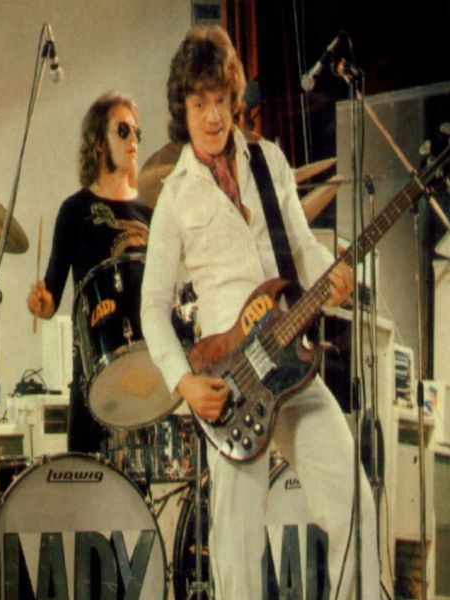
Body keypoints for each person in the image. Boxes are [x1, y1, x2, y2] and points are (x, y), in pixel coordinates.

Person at [140, 25, 379, 598]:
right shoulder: (175, 196)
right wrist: (185, 383)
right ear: (183, 109)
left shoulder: (268, 161)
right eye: (200, 104)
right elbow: (152, 307)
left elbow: (302, 247)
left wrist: (333, 276)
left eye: (221, 101)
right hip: (233, 383)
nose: (213, 117)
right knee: (238, 545)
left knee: (355, 502)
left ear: (234, 99)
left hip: (292, 359)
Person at [27, 92, 150, 453]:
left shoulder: (149, 213)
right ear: (98, 141)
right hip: (93, 373)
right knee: (88, 476)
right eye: (123, 130)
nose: (133, 140)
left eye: (137, 132)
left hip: (146, 373)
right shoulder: (75, 211)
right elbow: (51, 295)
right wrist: (42, 303)